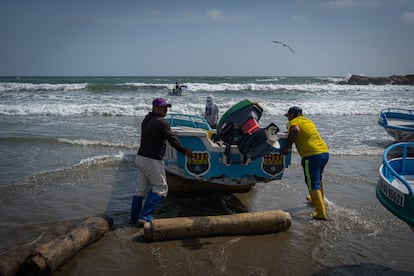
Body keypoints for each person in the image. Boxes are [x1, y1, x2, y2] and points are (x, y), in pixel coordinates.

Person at [129, 97, 192, 225]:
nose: (165, 110)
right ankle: (145, 217)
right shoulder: (161, 122)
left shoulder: (146, 119)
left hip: (140, 158)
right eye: (162, 107)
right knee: (161, 188)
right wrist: (184, 150)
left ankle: (134, 219)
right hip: (152, 160)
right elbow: (172, 139)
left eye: (166, 107)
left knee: (140, 190)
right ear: (154, 107)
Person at [280, 106, 329, 220]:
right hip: (324, 153)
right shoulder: (308, 121)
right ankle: (316, 199)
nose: (287, 119)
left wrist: (287, 147)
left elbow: (295, 130)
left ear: (292, 115)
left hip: (311, 156)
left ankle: (320, 212)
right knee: (317, 178)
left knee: (312, 182)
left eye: (288, 116)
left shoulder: (293, 122)